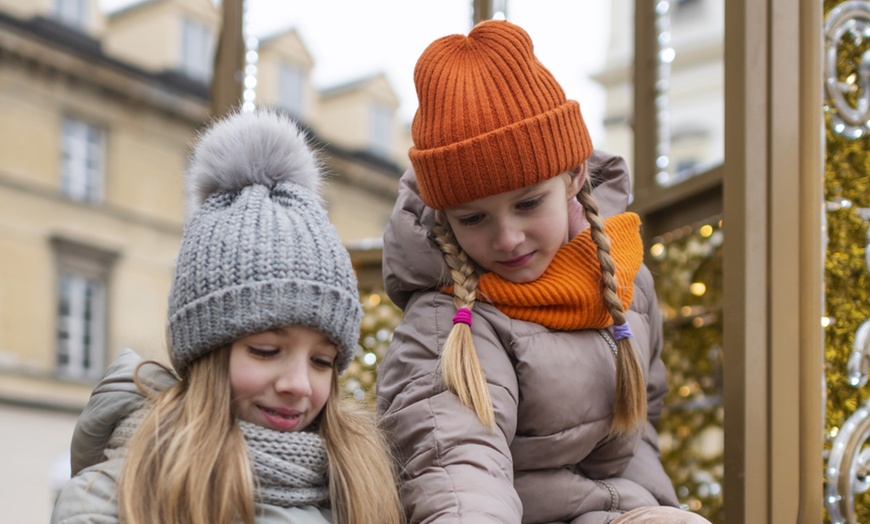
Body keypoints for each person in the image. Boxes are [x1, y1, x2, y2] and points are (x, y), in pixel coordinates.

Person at [376, 20, 711, 524]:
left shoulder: (624, 280)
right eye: (474, 218)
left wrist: (649, 508)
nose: (507, 238)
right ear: (445, 218)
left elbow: (639, 428)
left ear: (575, 176)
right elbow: (455, 464)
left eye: (528, 203)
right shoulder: (449, 322)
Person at [51, 110, 404, 524]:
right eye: (267, 350)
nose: (298, 385)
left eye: (322, 361)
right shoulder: (115, 499)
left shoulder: (367, 486)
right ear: (206, 352)